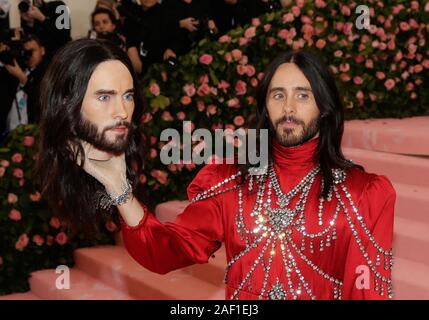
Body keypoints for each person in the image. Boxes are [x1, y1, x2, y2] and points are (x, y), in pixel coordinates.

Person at [119, 50, 396, 300]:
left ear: (324, 106)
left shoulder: (362, 193)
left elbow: (366, 293)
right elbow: (164, 250)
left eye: (302, 95)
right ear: (266, 106)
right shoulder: (230, 182)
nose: (288, 108)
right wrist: (119, 188)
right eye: (278, 95)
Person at [37, 38, 144, 237]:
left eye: (128, 96)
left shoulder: (132, 162)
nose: (122, 112)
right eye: (104, 97)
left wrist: (118, 185)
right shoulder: (36, 183)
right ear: (67, 102)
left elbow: (158, 252)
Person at [4, 33, 47, 130]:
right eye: (26, 51)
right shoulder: (20, 68)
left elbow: (41, 98)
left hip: (31, 130)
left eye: (33, 51)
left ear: (42, 50)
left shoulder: (47, 72)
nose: (29, 55)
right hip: (11, 129)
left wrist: (23, 78)